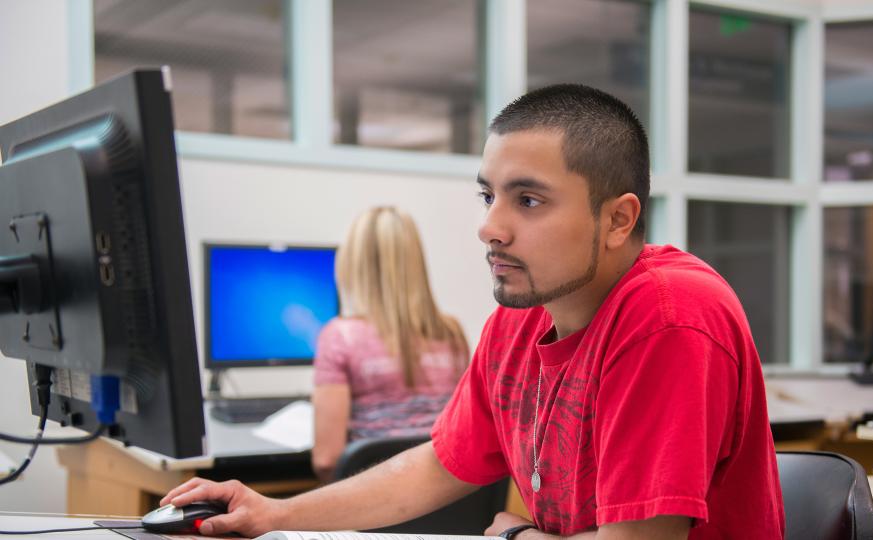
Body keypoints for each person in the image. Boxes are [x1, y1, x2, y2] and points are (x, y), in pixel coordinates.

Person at [160, 84, 784, 539]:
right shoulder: (519, 316)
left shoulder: (669, 318)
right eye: (488, 196)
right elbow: (439, 466)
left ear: (618, 218)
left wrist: (515, 536)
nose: (490, 227)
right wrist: (277, 513)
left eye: (529, 200)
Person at [311, 206, 469, 481]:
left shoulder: (339, 337)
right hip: (448, 502)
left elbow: (327, 460)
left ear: (352, 263)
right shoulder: (451, 332)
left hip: (376, 506)